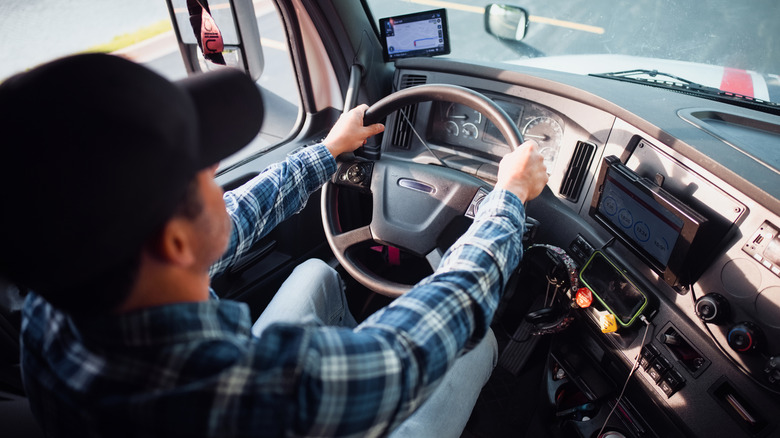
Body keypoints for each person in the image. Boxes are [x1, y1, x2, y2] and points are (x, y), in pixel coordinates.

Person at [0, 54, 548, 437]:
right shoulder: (242, 396)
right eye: (202, 171)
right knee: (468, 346)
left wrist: (327, 152)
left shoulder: (55, 302)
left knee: (315, 275)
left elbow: (234, 218)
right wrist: (506, 198)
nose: (219, 175)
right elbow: (410, 349)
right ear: (173, 241)